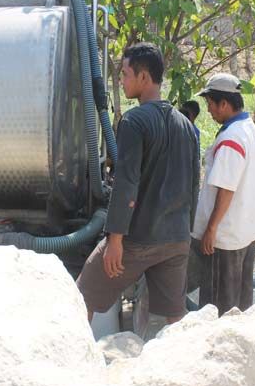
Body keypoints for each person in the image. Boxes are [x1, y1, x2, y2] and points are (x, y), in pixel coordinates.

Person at [77, 42, 200, 324]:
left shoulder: (134, 121)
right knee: (175, 316)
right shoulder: (186, 125)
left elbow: (126, 183)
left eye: (124, 73)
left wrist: (115, 240)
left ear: (144, 78)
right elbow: (193, 185)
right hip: (177, 239)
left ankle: (77, 364)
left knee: (81, 296)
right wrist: (185, 234)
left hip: (139, 239)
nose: (120, 80)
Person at [189, 73, 255, 316]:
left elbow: (226, 187)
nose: (209, 111)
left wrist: (211, 229)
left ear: (224, 104)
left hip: (225, 235)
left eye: (210, 104)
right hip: (244, 229)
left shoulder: (232, 137)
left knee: (217, 302)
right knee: (239, 298)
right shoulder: (248, 128)